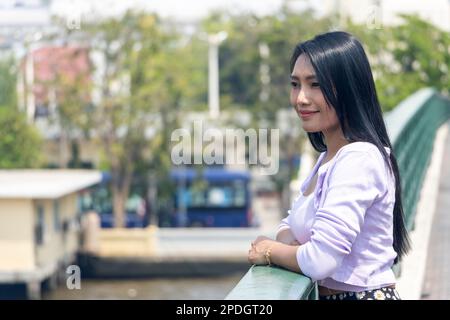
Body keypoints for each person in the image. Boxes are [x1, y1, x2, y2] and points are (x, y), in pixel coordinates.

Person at [248, 31, 411, 301]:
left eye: (316, 85)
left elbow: (320, 261)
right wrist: (296, 245)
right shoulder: (328, 158)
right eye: (295, 84)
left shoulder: (357, 159)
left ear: (349, 88)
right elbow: (289, 223)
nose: (301, 98)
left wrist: (269, 250)